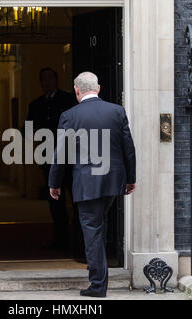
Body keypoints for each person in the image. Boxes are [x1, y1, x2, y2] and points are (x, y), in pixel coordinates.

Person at [48, 72, 137, 298]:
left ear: (77, 90)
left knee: (92, 232)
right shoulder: (116, 111)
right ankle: (99, 273)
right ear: (98, 88)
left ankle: (98, 285)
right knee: (99, 226)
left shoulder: (70, 115)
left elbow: (61, 154)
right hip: (112, 182)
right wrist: (131, 178)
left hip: (87, 184)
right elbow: (128, 148)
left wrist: (54, 183)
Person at [25, 67, 77, 251]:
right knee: (55, 203)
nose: (47, 82)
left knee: (77, 201)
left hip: (71, 159)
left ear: (56, 80)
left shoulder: (69, 100)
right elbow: (28, 130)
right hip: (49, 158)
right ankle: (61, 241)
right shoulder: (35, 104)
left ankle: (78, 243)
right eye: (43, 79)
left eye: (50, 78)